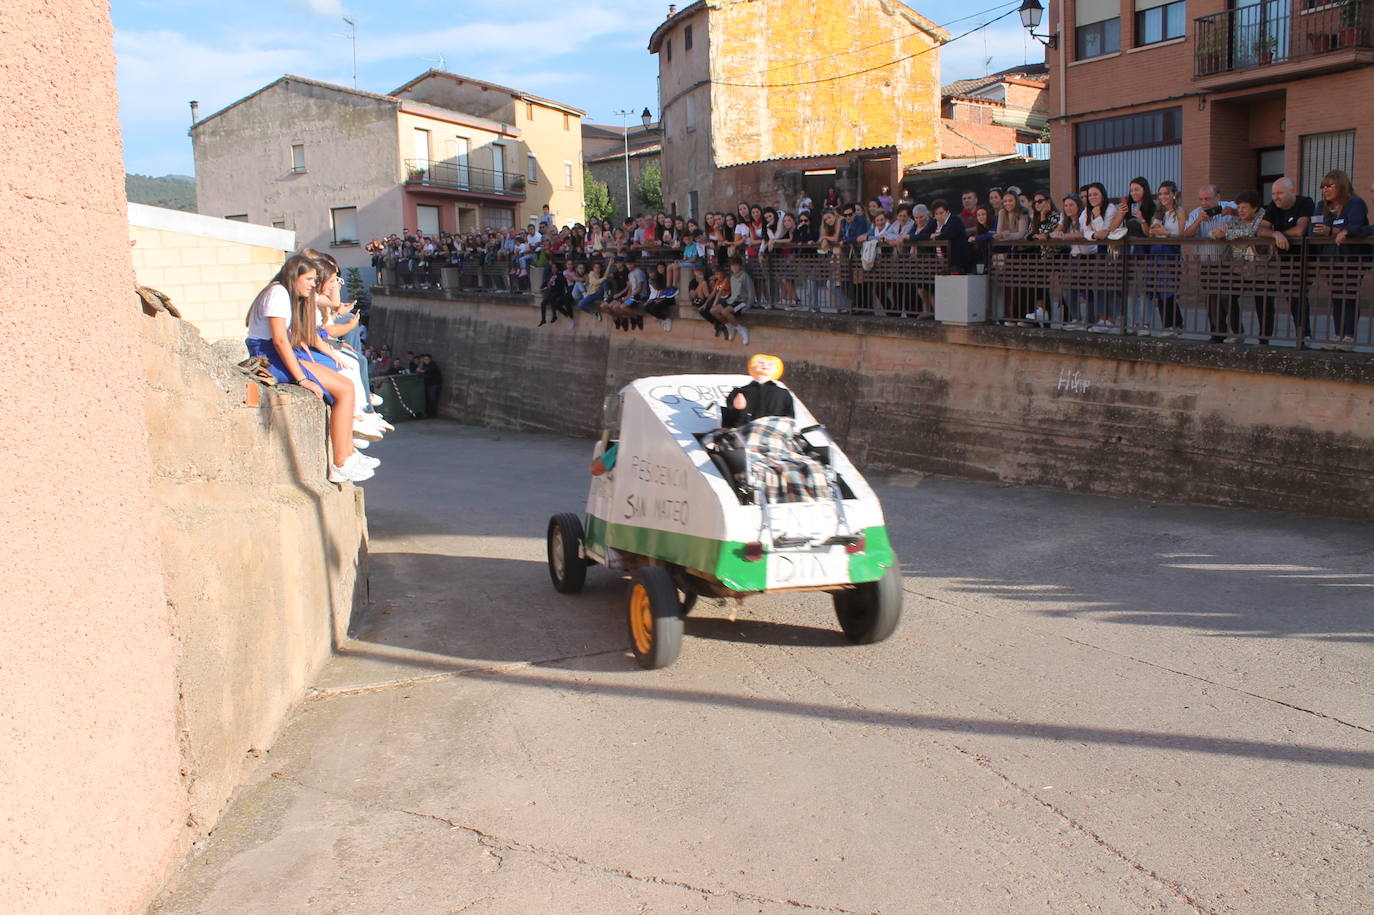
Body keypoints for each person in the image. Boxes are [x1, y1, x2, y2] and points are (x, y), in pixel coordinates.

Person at [244, 254, 373, 483]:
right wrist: (302, 379)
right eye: (310, 279)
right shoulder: (278, 294)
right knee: (344, 389)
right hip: (269, 358)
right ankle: (342, 462)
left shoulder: (282, 292)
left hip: (276, 354)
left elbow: (295, 336)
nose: (314, 284)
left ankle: (348, 455)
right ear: (296, 277)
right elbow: (280, 341)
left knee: (345, 384)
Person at [1312, 168, 1369, 348]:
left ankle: (1349, 337)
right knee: (1336, 296)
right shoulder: (1322, 206)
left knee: (1349, 294)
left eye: (1329, 185)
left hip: (1351, 258)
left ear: (1341, 186)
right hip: (1330, 258)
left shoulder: (1355, 203)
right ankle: (1338, 335)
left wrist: (1333, 230)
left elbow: (1355, 226)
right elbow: (1313, 230)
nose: (1325, 189)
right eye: (1323, 186)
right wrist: (1333, 231)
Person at [1259, 176, 1315, 342]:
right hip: (1284, 259)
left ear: (1292, 192)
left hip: (1305, 256)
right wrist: (1275, 234)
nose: (1276, 197)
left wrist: (1281, 234)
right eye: (1274, 193)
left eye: (1280, 193)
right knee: (1291, 295)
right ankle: (1302, 333)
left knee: (1298, 293)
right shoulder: (1274, 206)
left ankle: (1304, 334)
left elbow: (1300, 230)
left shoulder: (1305, 203)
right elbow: (1261, 230)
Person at [1183, 184, 1238, 343]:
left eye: (1207, 199)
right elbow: (1186, 235)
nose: (1204, 203)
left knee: (1228, 297)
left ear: (1218, 198)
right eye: (1201, 199)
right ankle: (1217, 332)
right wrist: (1198, 222)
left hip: (1228, 262)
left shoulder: (1230, 207)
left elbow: (1249, 217)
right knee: (1211, 299)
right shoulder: (1196, 213)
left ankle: (1237, 330)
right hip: (1206, 263)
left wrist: (1233, 214)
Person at [722, 354, 793, 427]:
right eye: (761, 363)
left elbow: (789, 421)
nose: (765, 366)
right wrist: (738, 409)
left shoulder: (783, 394)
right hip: (744, 435)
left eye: (770, 364)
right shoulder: (740, 392)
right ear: (753, 365)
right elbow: (730, 423)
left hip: (773, 435)